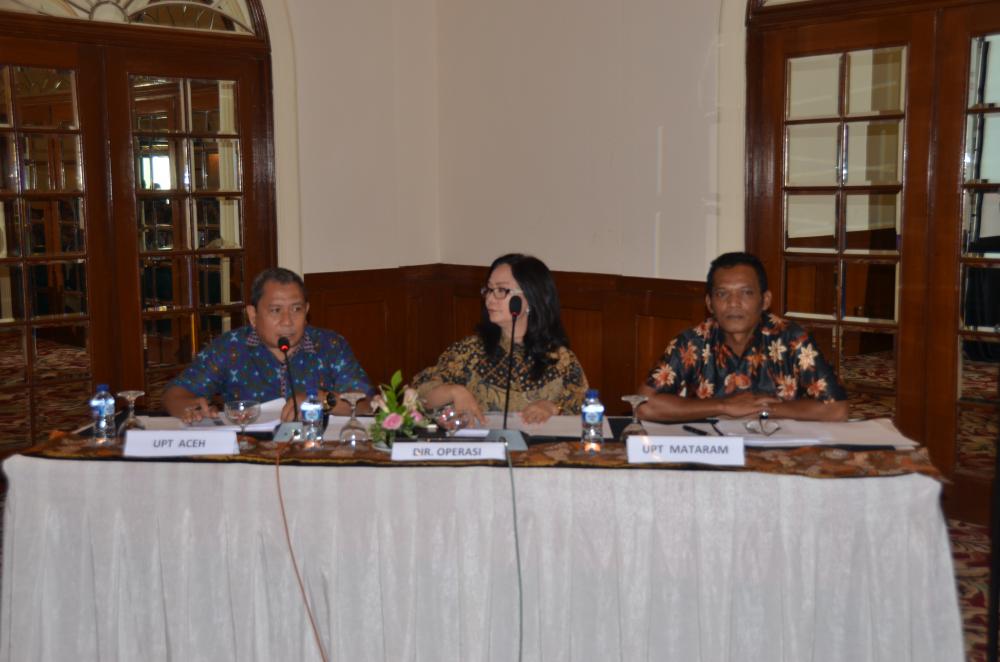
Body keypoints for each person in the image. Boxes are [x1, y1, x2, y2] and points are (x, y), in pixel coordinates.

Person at [637, 251, 848, 422]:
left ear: (765, 300)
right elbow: (644, 405)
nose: (733, 303)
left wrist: (764, 409)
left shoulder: (791, 338)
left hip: (778, 442)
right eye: (722, 294)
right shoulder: (693, 342)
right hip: (714, 447)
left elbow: (837, 409)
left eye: (746, 293)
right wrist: (723, 406)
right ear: (710, 303)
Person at [164, 267, 373, 422]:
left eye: (297, 309)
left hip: (316, 448)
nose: (287, 321)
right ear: (253, 315)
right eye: (275, 310)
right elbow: (174, 394)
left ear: (307, 310)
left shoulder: (330, 345)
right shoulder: (231, 347)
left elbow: (367, 403)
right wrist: (188, 407)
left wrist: (321, 400)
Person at [412, 253, 588, 424]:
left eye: (501, 290)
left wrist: (554, 408)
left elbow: (586, 412)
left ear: (531, 297)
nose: (489, 299)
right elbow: (418, 395)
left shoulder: (561, 359)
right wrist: (453, 391)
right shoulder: (470, 350)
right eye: (489, 289)